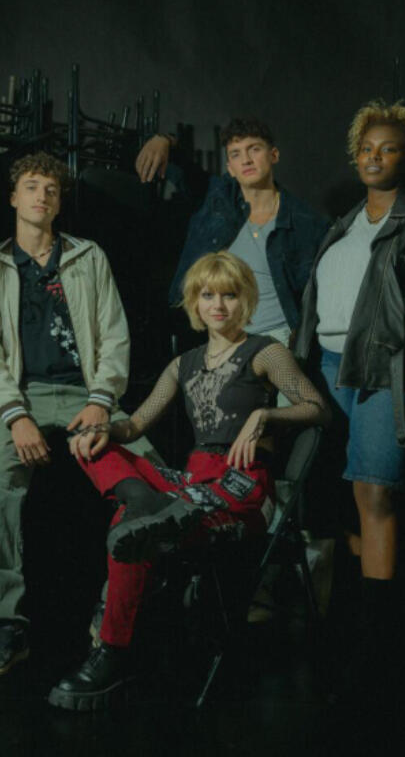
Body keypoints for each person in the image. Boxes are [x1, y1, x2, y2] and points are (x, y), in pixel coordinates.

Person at [47, 251, 329, 710]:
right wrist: (99, 427)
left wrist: (264, 414)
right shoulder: (184, 363)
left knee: (131, 527)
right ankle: (142, 501)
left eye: (230, 295)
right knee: (94, 445)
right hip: (190, 484)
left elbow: (318, 408)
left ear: (246, 301)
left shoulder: (266, 352)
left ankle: (112, 654)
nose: (219, 305)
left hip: (241, 486)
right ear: (195, 304)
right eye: (208, 295)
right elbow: (134, 427)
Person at [0, 151, 159, 680]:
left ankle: (112, 610)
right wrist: (14, 415)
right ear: (13, 197)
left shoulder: (88, 256)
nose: (41, 196)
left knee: (154, 478)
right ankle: (6, 625)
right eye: (31, 186)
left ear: (58, 201)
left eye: (50, 189)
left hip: (85, 395)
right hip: (18, 398)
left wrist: (100, 399)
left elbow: (115, 334)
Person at [292, 101, 405, 692]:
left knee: (376, 491)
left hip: (381, 365)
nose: (376, 157)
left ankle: (380, 643)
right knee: (342, 496)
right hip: (325, 366)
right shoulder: (345, 222)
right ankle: (354, 620)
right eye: (367, 149)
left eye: (389, 148)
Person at [136, 119, 328, 348]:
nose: (246, 160)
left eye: (254, 149)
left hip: (275, 340)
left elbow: (313, 298)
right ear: (230, 167)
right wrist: (163, 139)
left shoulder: (306, 223)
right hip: (216, 339)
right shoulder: (216, 197)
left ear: (274, 155)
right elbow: (181, 169)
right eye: (236, 154)